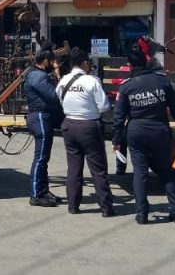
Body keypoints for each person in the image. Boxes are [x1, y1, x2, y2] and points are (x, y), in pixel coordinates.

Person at [113, 36, 175, 225]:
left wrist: (116, 140)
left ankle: (142, 214)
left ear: (130, 65)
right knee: (165, 172)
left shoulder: (127, 87)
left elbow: (119, 117)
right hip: (159, 130)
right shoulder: (162, 81)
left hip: (136, 131)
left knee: (140, 173)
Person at [56, 48, 115, 216]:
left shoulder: (63, 81)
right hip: (89, 126)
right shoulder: (92, 81)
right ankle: (106, 208)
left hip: (69, 125)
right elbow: (104, 106)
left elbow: (59, 100)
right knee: (97, 168)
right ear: (84, 63)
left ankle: (73, 206)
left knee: (74, 168)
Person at [24, 49, 64, 207]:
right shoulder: (38, 76)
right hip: (40, 118)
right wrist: (58, 75)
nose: (54, 64)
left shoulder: (36, 75)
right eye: (52, 61)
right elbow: (54, 97)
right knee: (40, 158)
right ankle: (35, 195)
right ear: (46, 61)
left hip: (42, 118)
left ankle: (43, 190)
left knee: (44, 158)